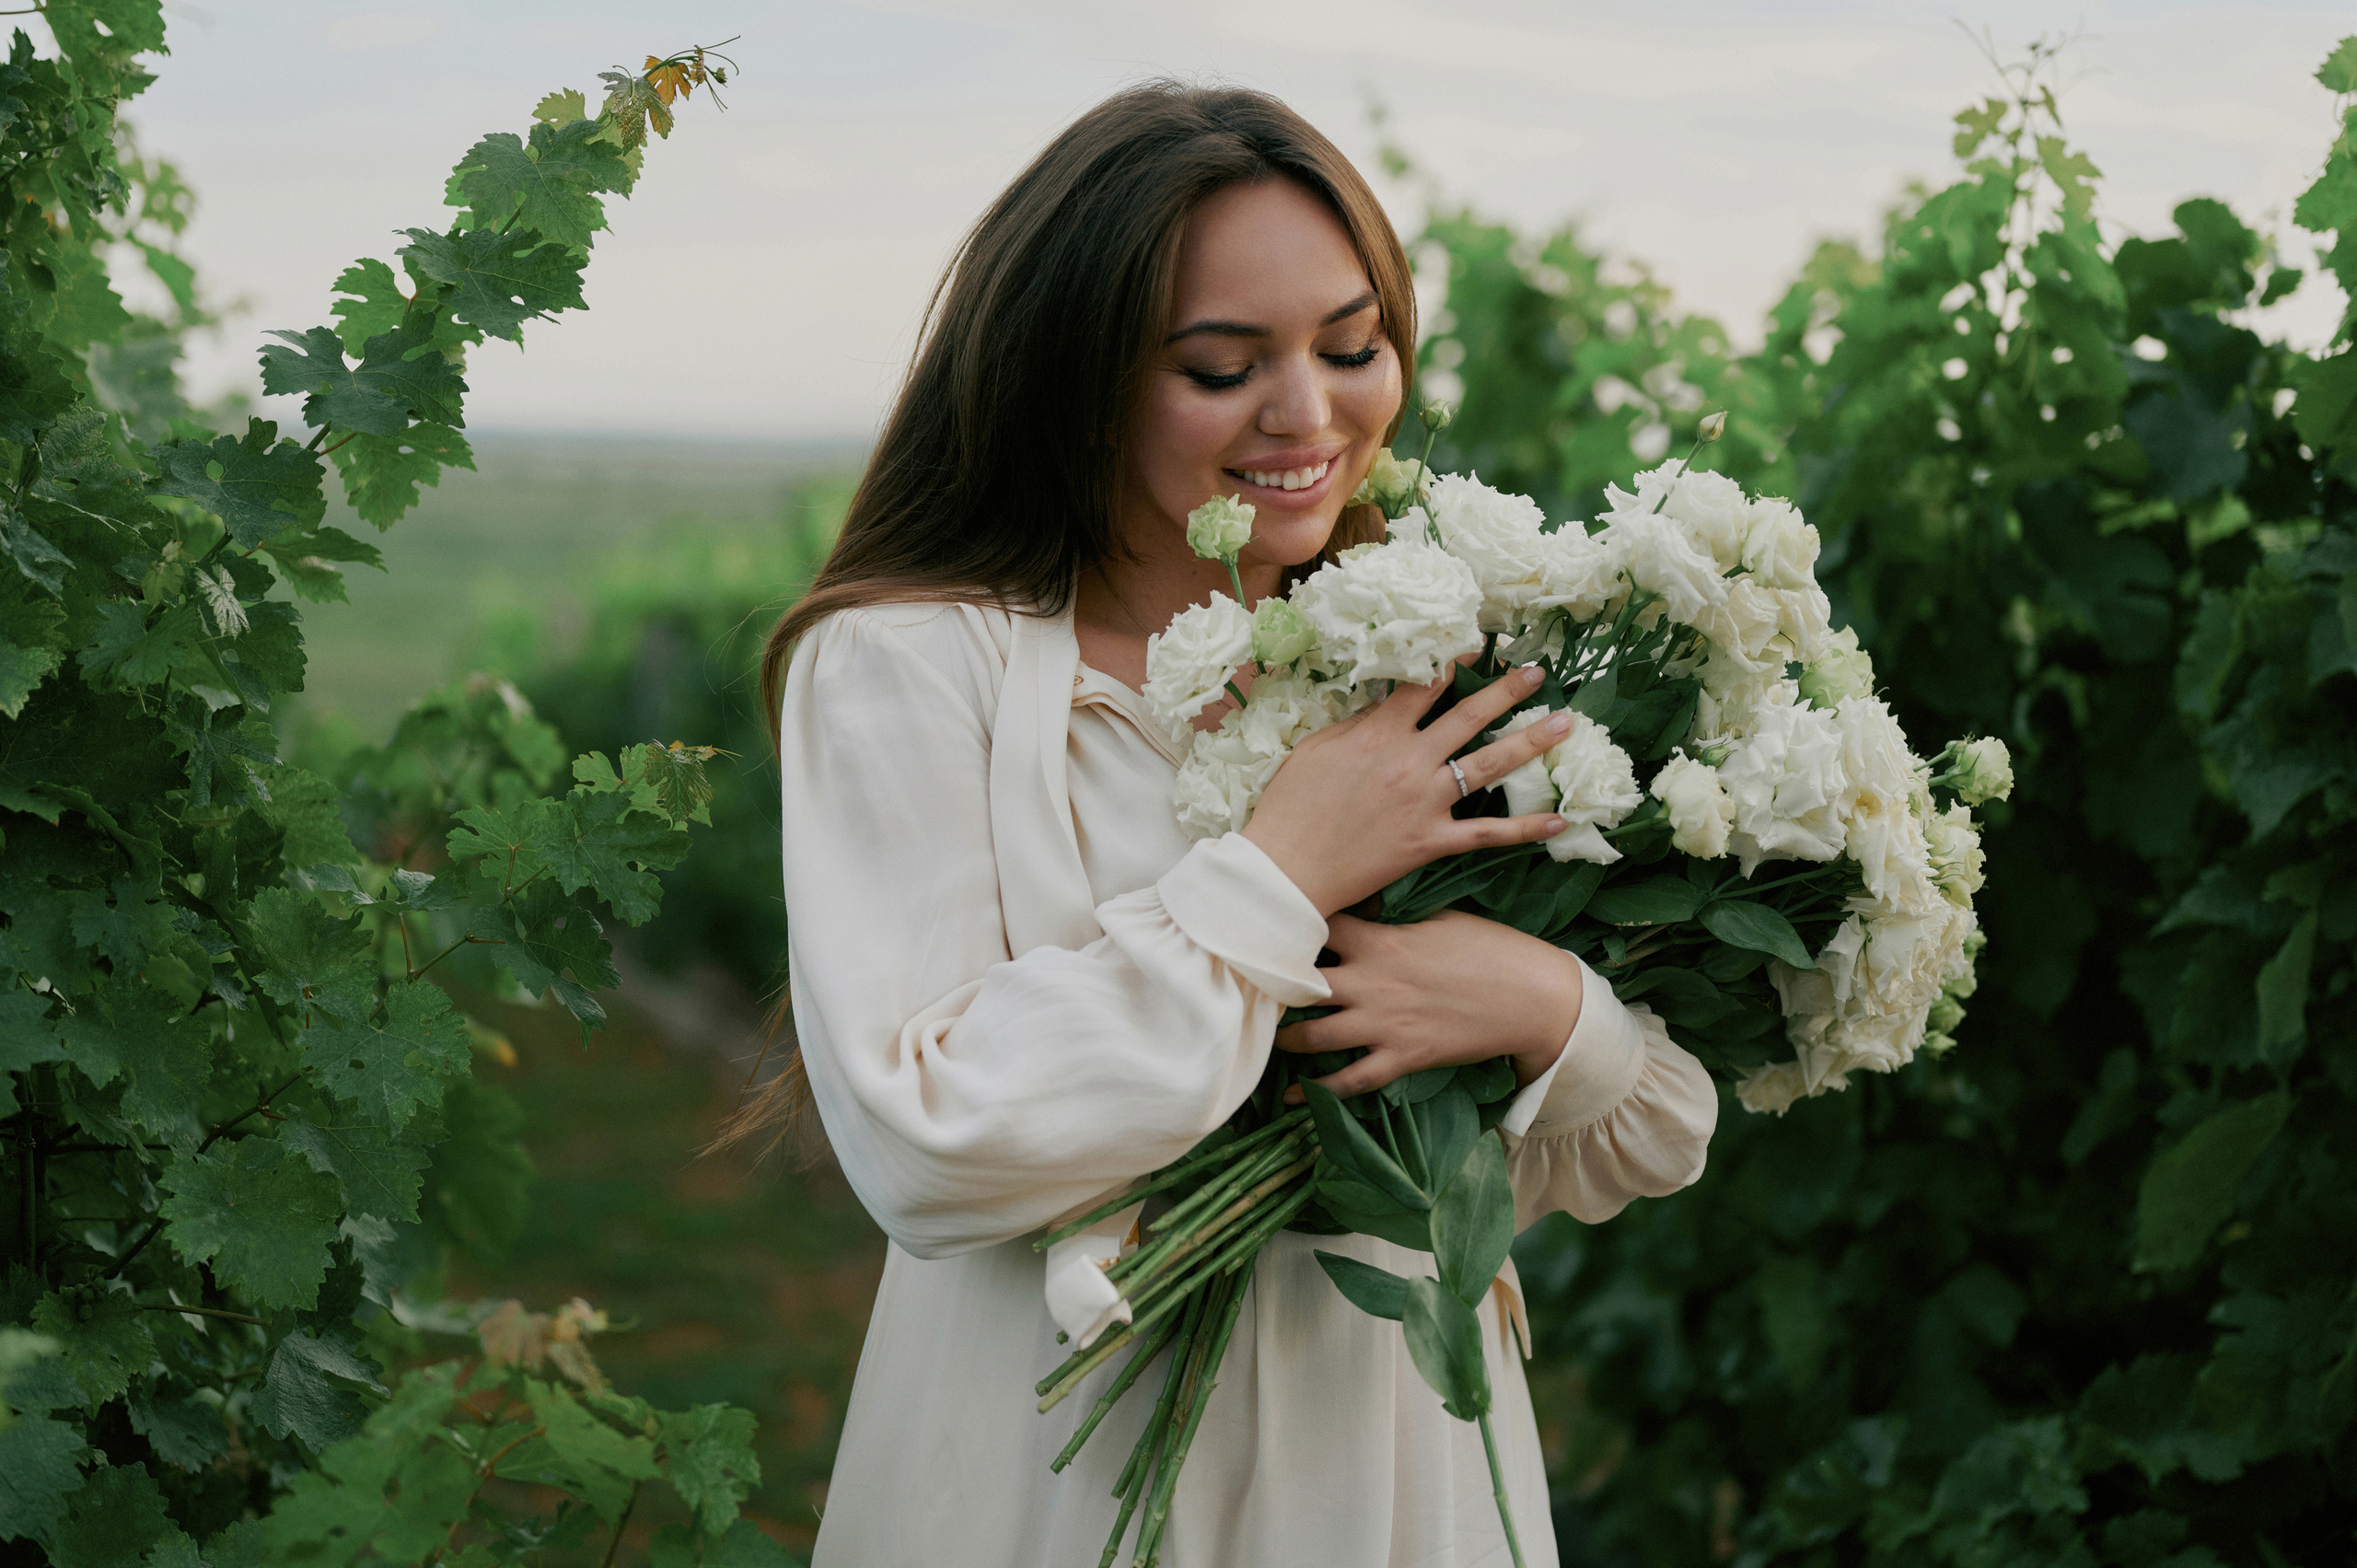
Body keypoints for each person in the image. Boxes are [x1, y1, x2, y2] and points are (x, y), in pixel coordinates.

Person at [748, 80, 1718, 1566]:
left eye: (1353, 345)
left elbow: (1626, 1141)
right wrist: (1278, 876)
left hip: (1398, 1460)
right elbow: (926, 1144)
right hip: (1062, 1470)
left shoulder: (1418, 648)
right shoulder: (906, 660)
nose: (1309, 415)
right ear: (1073, 374)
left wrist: (1538, 1001)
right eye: (1220, 366)